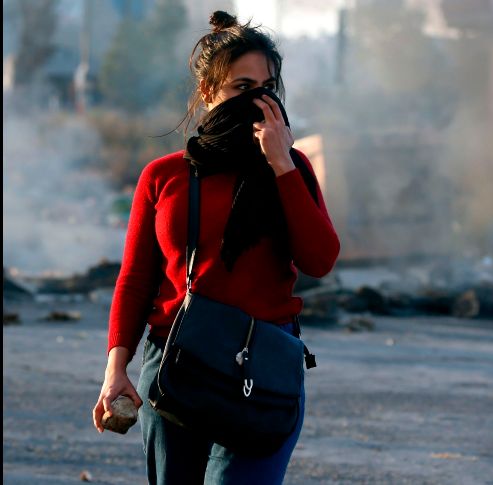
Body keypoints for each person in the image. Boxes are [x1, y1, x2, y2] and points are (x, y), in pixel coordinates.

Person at [92, 11, 340, 484]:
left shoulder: (290, 167)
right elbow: (136, 279)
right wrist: (115, 370)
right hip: (176, 365)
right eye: (242, 87)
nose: (259, 101)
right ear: (208, 91)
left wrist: (282, 166)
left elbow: (320, 259)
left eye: (268, 87)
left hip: (262, 367)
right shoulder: (165, 176)